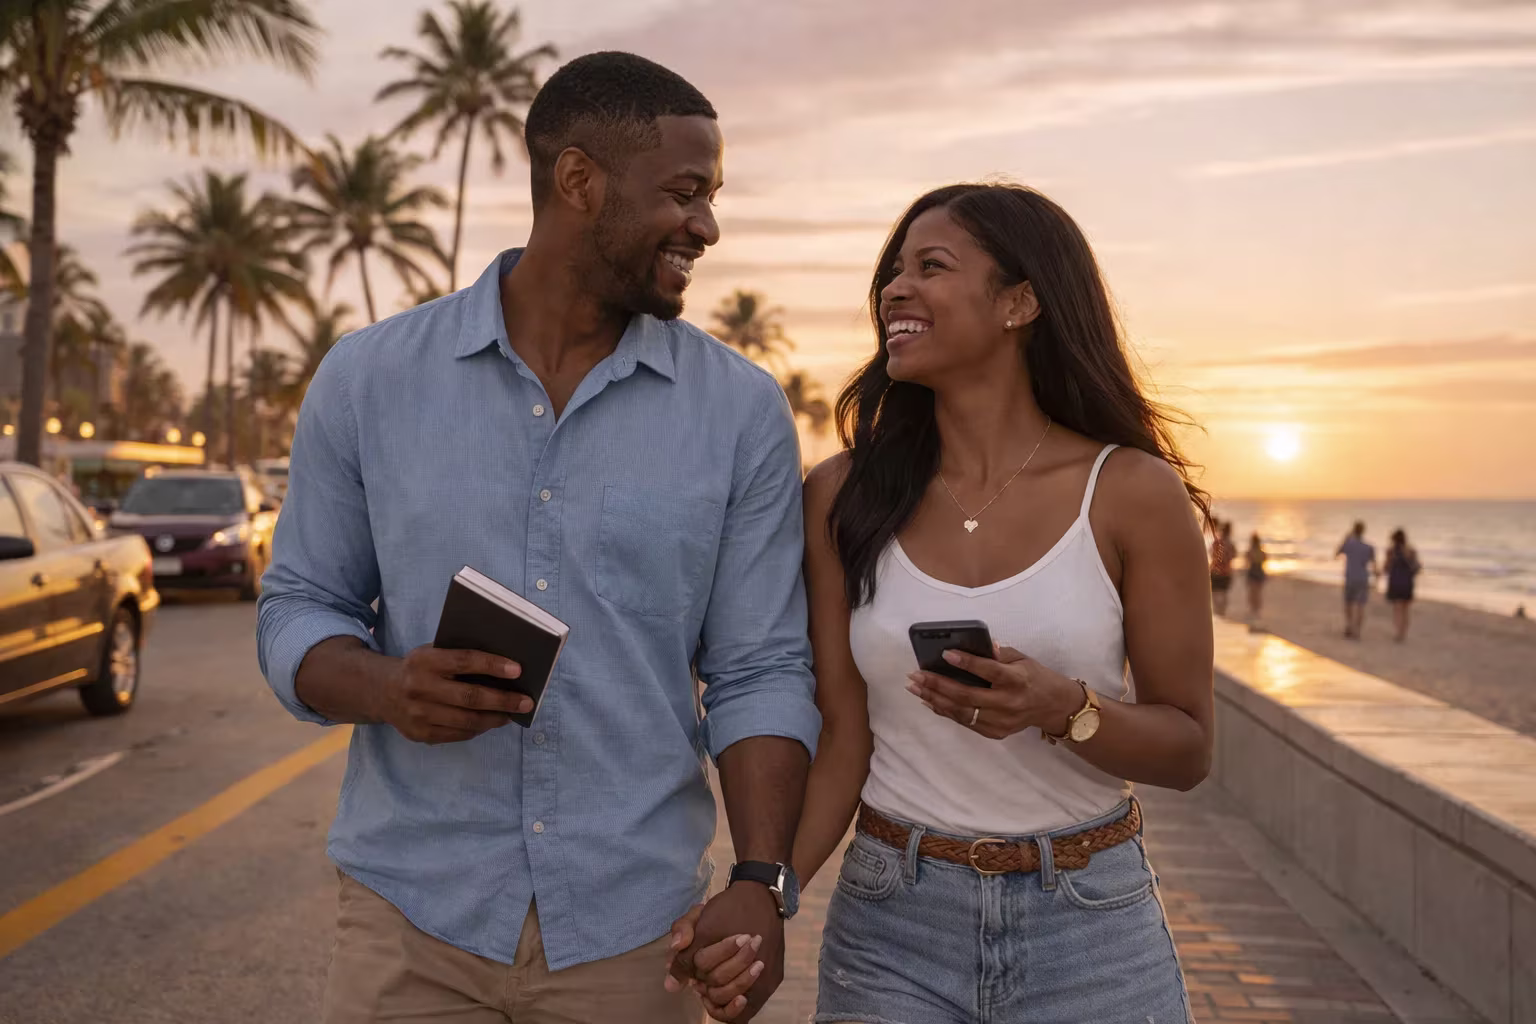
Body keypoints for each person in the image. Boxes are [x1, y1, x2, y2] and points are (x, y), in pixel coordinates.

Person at [256, 52, 820, 1024]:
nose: (707, 226)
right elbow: (300, 605)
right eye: (685, 193)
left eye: (713, 198)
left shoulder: (741, 412)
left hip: (633, 935)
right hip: (411, 924)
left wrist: (762, 879)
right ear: (578, 180)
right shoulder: (368, 380)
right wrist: (389, 688)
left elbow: (761, 665)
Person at [673, 182, 1214, 1022]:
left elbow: (1187, 748)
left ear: (1020, 301)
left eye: (931, 266)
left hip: (1091, 924)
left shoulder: (1130, 493)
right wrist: (770, 892)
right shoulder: (842, 496)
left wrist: (1063, 708)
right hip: (894, 919)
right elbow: (845, 735)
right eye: (892, 270)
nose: (895, 288)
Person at [1336, 521, 1377, 639]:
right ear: (1363, 531)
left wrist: (1345, 539)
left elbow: (1337, 554)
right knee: (1360, 605)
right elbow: (1374, 565)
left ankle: (1349, 625)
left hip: (1350, 577)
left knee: (1348, 603)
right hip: (1363, 578)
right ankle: (1357, 631)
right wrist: (1376, 578)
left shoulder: (1348, 544)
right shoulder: (1369, 547)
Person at [1383, 528, 1421, 642]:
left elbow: (1387, 568)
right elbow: (1417, 567)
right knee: (1405, 610)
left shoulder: (1391, 551)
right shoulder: (1411, 551)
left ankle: (1398, 633)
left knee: (1397, 609)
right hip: (1408, 583)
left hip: (1395, 582)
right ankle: (1403, 633)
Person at [1209, 518, 1235, 616]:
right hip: (1226, 572)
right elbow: (1233, 556)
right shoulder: (1231, 544)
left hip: (1215, 570)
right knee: (1224, 593)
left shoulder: (1216, 543)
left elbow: (1212, 554)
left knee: (1215, 593)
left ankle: (1217, 613)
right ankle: (1221, 613)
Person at [1245, 531, 1268, 626]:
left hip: (1253, 572)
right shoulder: (1261, 552)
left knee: (1252, 592)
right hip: (1259, 572)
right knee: (1257, 592)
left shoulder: (1250, 551)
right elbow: (1265, 559)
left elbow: (1247, 560)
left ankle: (1253, 609)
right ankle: (1256, 609)